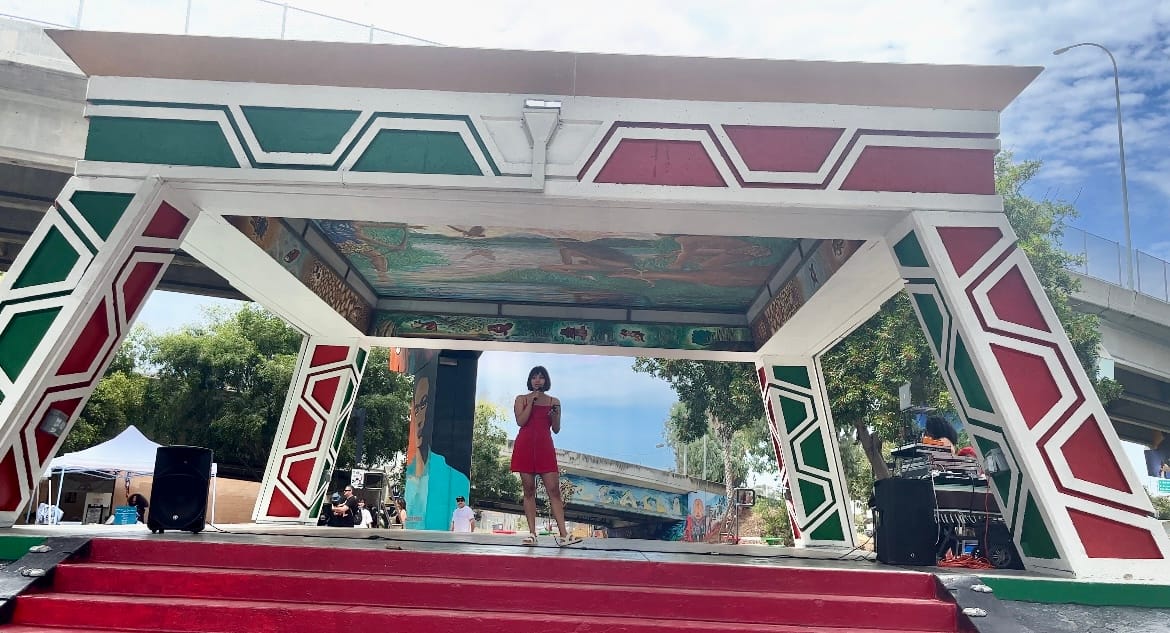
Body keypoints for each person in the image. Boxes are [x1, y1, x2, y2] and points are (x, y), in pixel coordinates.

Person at [510, 365, 581, 547]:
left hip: (545, 447)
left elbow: (556, 429)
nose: (537, 380)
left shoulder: (554, 401)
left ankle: (564, 535)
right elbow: (521, 421)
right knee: (529, 490)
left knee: (554, 490)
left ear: (546, 380)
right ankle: (532, 534)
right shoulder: (521, 399)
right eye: (534, 377)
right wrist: (531, 402)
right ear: (530, 380)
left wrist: (554, 416)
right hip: (525, 446)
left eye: (541, 377)